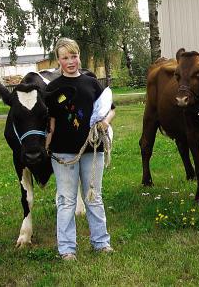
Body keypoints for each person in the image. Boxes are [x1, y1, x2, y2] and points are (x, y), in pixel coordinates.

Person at [45, 37, 115, 261]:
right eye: (65, 58)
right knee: (66, 200)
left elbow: (110, 109)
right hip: (63, 153)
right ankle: (67, 249)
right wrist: (46, 146)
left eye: (73, 56)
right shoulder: (52, 89)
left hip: (92, 151)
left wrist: (105, 122)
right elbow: (51, 123)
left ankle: (101, 243)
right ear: (58, 60)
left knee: (94, 197)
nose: (70, 61)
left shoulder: (91, 83)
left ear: (79, 56)